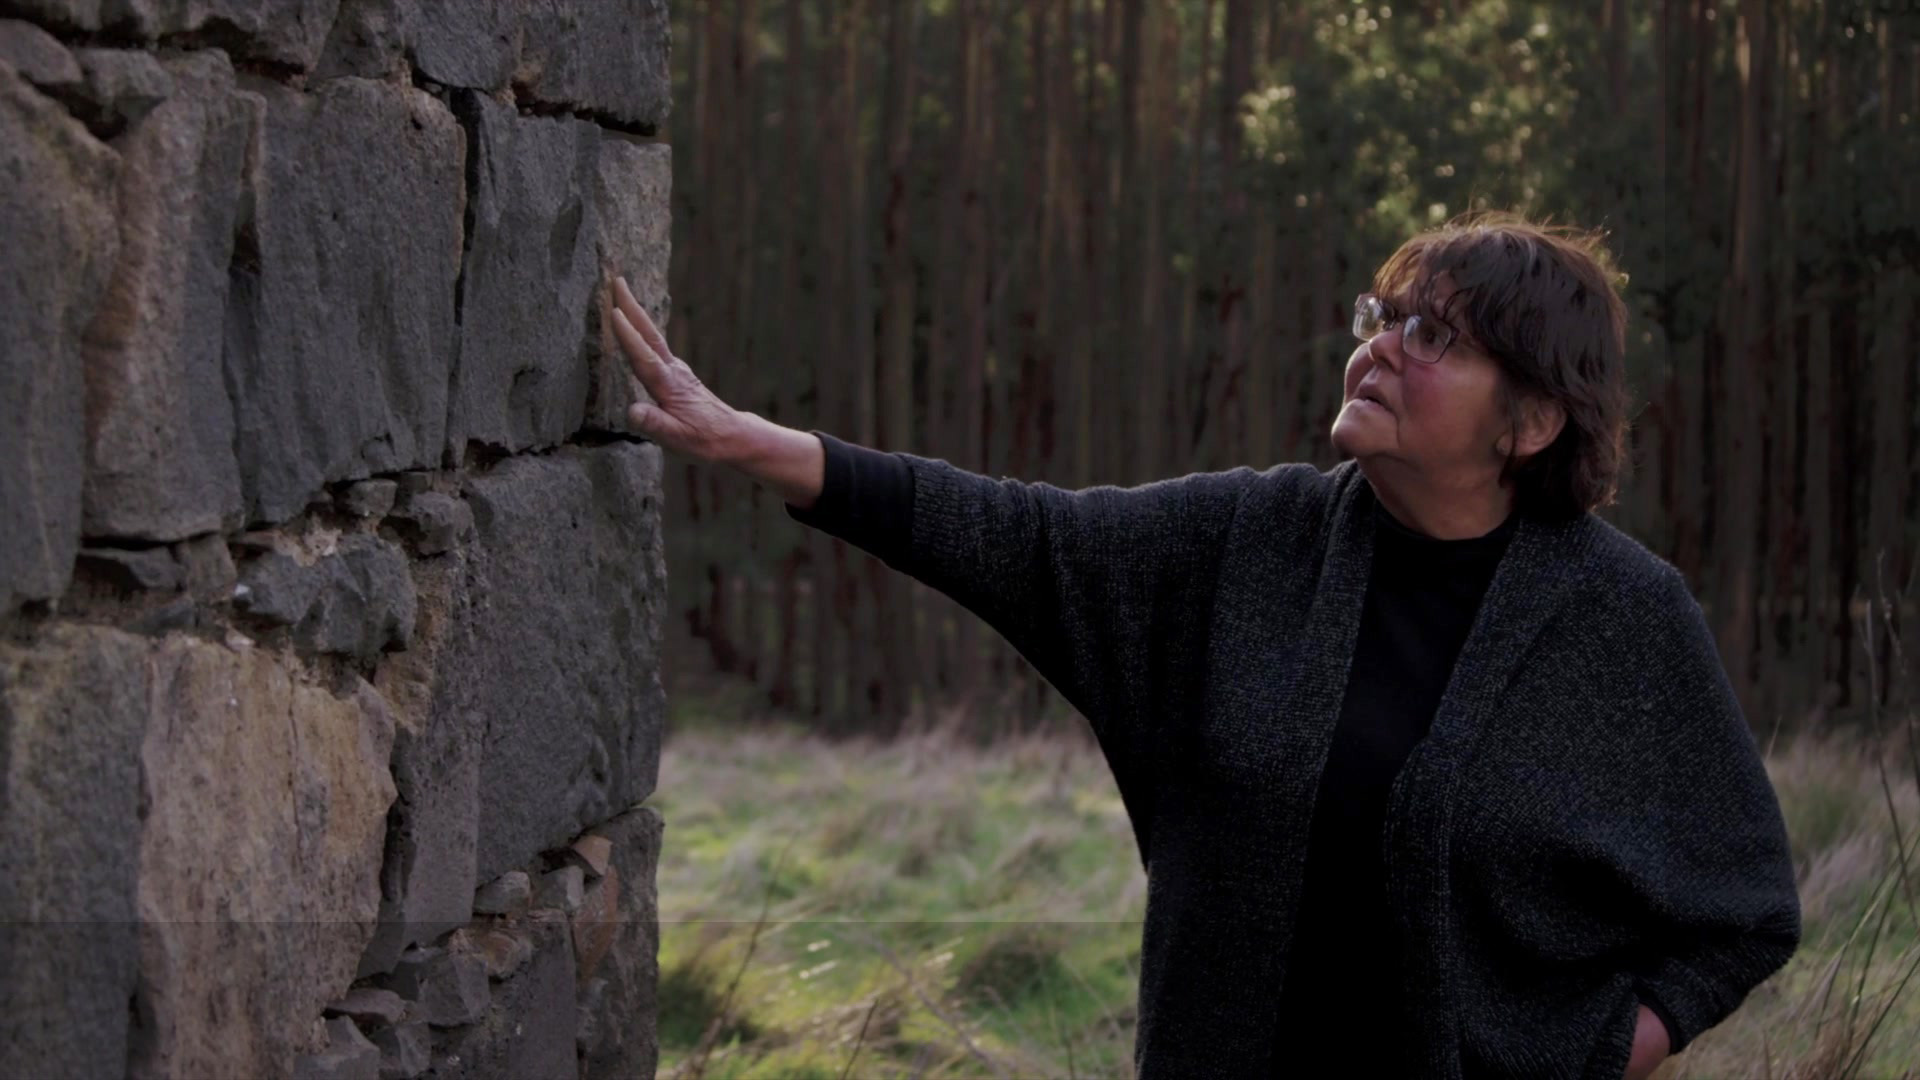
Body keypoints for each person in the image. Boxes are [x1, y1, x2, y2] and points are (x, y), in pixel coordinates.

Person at [603, 211, 1801, 1079]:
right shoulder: (1253, 539)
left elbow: (1745, 907)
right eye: (1382, 317)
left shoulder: (1622, 621)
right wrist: (767, 449)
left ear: (1531, 421)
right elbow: (1022, 535)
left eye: (1435, 336)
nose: (1381, 344)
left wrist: (1602, 1050)